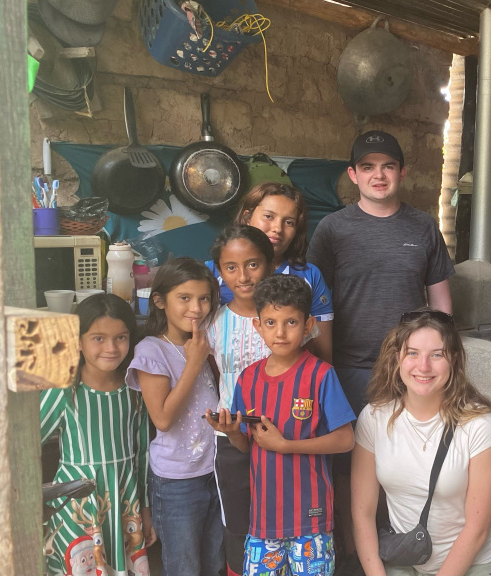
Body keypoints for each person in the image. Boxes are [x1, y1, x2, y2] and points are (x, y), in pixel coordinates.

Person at [207, 274, 356, 576]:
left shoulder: (321, 375)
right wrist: (233, 433)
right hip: (263, 522)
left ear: (308, 325)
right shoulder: (247, 379)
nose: (281, 332)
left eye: (291, 322)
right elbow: (249, 445)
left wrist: (287, 446)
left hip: (310, 521)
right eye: (271, 322)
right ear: (258, 326)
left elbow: (345, 440)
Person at [307, 130, 455, 415]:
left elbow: (441, 304)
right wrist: (319, 364)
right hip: (347, 368)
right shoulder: (332, 229)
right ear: (353, 174)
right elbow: (314, 302)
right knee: (348, 454)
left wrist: (441, 357)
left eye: (388, 166)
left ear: (402, 172)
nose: (379, 175)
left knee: (405, 455)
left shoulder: (424, 226)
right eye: (367, 167)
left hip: (409, 366)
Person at [352, 308, 491, 576]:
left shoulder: (479, 424)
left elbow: (477, 529)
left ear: (454, 360)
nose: (424, 366)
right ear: (397, 357)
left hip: (471, 564)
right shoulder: (375, 417)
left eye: (437, 355)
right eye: (412, 353)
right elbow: (363, 513)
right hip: (404, 558)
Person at [40, 294, 155, 576]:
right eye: (98, 338)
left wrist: (146, 511)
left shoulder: (135, 387)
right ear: (78, 341)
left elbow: (142, 454)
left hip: (125, 500)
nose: (111, 348)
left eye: (120, 337)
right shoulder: (64, 389)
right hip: (77, 505)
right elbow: (25, 441)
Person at [127, 257, 223, 576]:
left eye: (204, 298)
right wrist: (194, 362)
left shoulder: (207, 344)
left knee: (214, 563)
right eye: (184, 298)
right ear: (159, 301)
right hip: (177, 481)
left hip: (214, 471)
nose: (196, 308)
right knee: (185, 567)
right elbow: (163, 419)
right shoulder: (152, 351)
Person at [205, 224, 276, 576]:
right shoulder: (212, 322)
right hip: (230, 437)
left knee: (280, 522)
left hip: (282, 436)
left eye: (253, 264)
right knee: (237, 524)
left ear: (269, 264)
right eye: (231, 267)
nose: (243, 276)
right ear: (219, 271)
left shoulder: (284, 320)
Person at [206, 182, 334, 363]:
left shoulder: (309, 276)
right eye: (268, 216)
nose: (277, 228)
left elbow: (322, 355)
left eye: (289, 222)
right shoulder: (211, 273)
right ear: (247, 217)